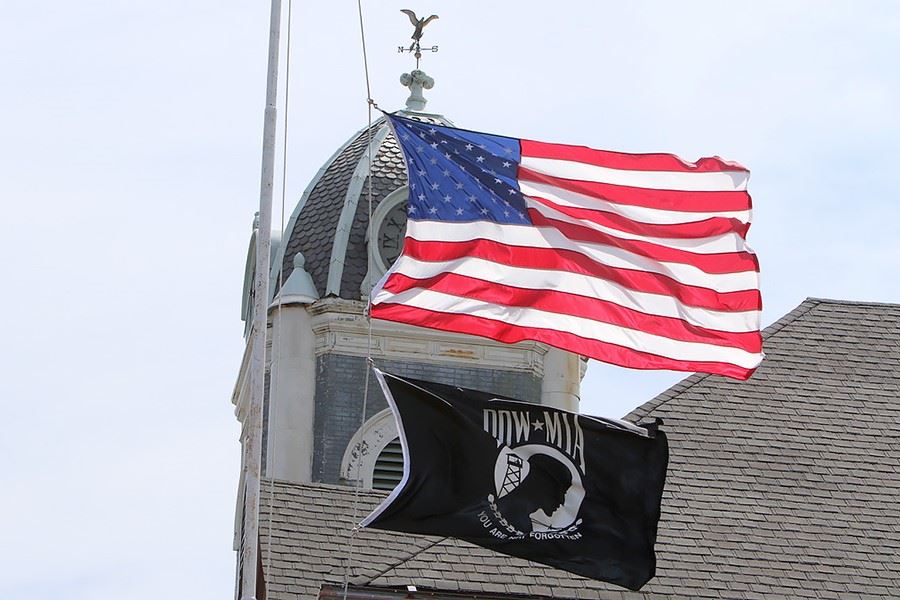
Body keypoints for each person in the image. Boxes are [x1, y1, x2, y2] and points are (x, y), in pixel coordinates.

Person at [495, 453, 572, 534]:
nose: (561, 501)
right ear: (542, 485)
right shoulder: (511, 513)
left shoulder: (523, 522)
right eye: (557, 492)